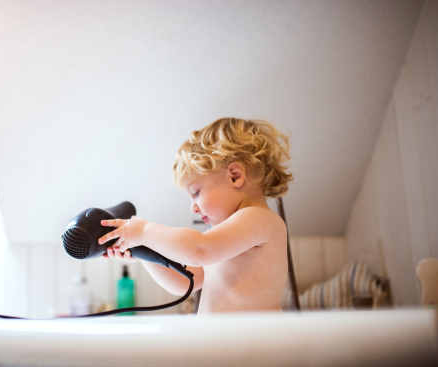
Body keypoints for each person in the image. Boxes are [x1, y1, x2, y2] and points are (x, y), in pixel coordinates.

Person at [99, 118, 293, 313]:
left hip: (254, 343)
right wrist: (144, 252)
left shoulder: (260, 219)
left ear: (235, 176)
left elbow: (199, 249)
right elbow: (186, 282)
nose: (193, 208)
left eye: (197, 193)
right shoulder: (224, 239)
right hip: (225, 343)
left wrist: (144, 231)